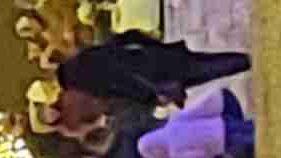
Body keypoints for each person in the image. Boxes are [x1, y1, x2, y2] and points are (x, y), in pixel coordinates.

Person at [43, 28, 247, 106]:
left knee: (206, 71)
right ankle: (244, 59)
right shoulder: (88, 55)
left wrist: (150, 99)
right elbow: (123, 39)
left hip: (156, 80)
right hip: (151, 57)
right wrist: (153, 44)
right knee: (204, 61)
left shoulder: (93, 87)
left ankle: (245, 62)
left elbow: (125, 92)